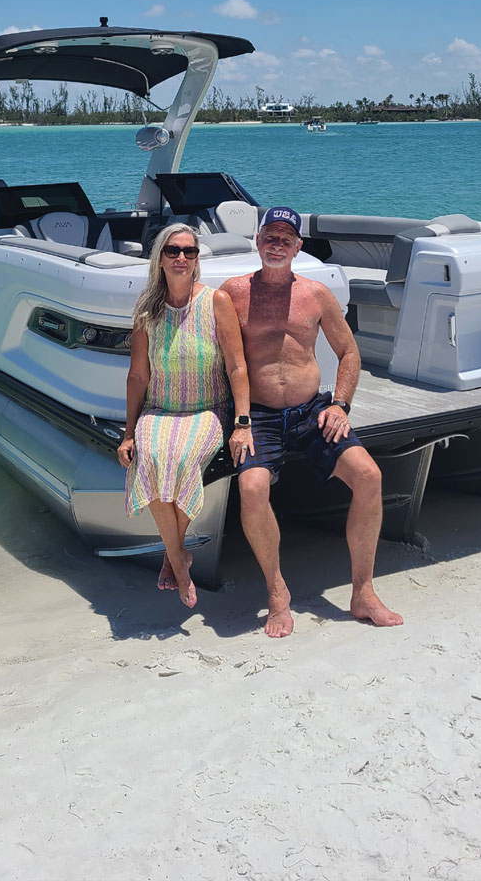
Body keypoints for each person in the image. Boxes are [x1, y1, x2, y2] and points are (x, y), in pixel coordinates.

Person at [220, 206, 404, 638]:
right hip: (258, 416)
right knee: (251, 487)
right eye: (271, 235)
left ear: (299, 246)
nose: (277, 244)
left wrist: (340, 405)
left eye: (287, 238)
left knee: (369, 476)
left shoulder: (317, 294)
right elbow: (225, 361)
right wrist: (238, 420)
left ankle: (363, 592)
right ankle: (277, 592)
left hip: (311, 411)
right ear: (258, 241)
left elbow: (350, 353)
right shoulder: (232, 292)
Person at [118, 223, 254, 608]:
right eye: (173, 251)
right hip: (159, 409)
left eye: (189, 252)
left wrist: (242, 422)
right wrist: (129, 433)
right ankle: (180, 562)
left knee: (182, 457)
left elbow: (237, 367)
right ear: (159, 259)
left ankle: (172, 560)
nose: (181, 258)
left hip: (206, 409)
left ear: (197, 260)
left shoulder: (216, 302)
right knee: (154, 456)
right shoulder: (147, 310)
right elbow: (138, 374)